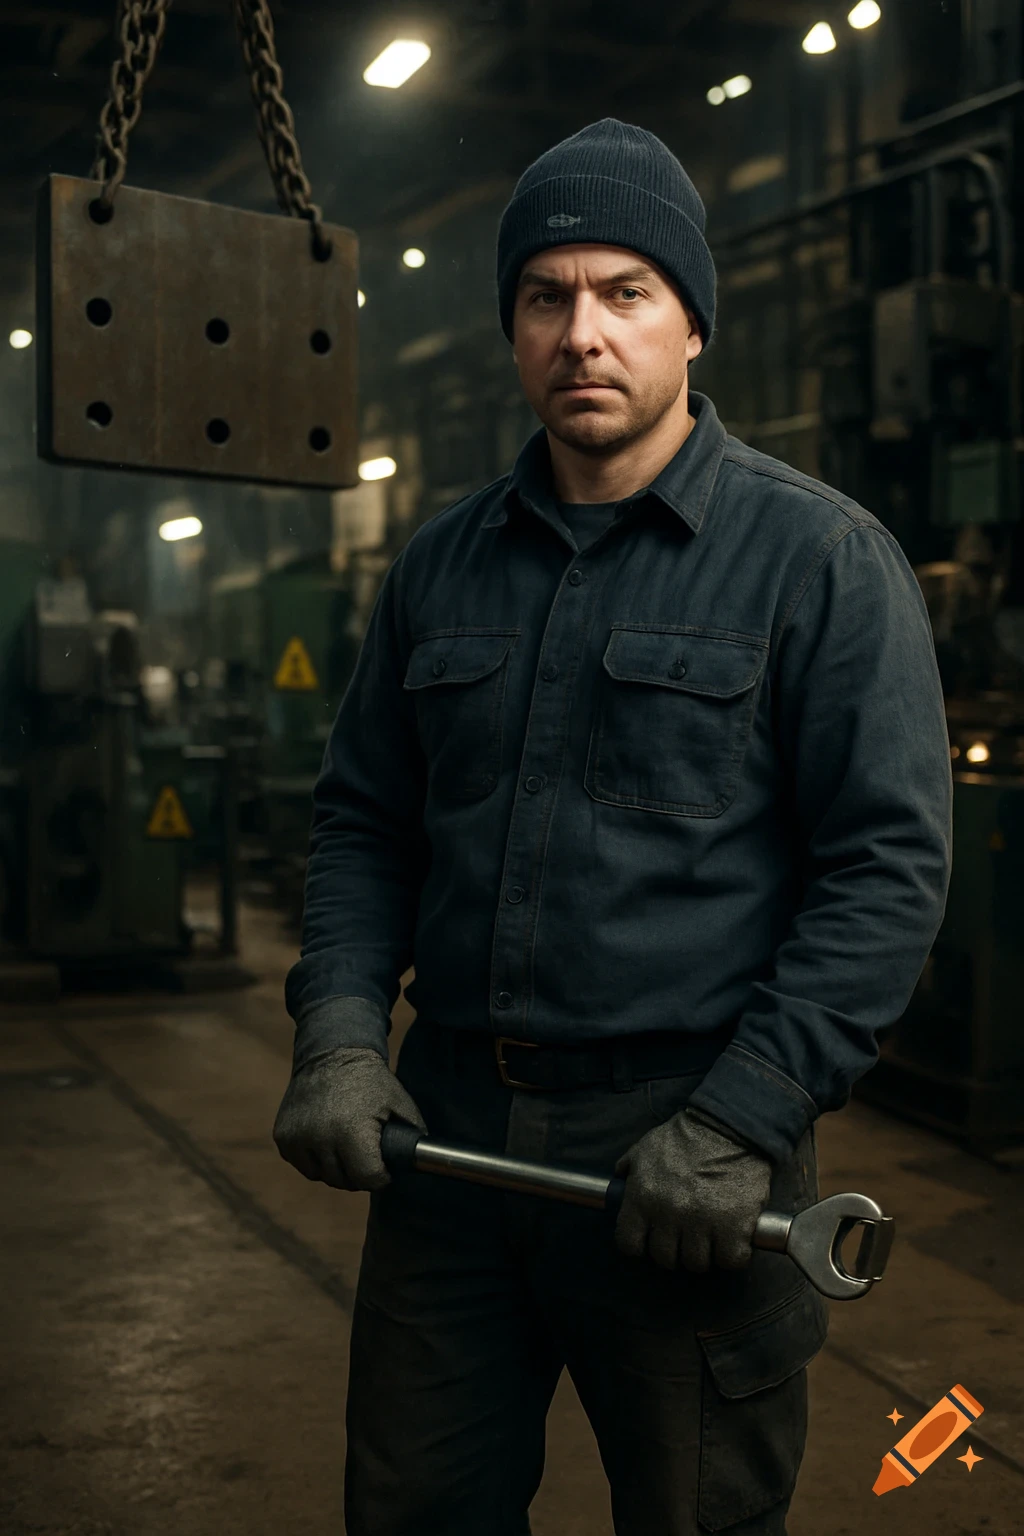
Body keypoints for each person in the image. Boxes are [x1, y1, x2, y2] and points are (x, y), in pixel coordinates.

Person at [273, 118, 953, 1535]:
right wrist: (341, 1036)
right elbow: (363, 826)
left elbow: (883, 877)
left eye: (625, 293)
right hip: (445, 1143)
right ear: (513, 330)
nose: (583, 333)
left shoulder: (821, 564)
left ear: (692, 324)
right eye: (547, 296)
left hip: (686, 1155)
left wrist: (740, 1122)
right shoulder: (439, 567)